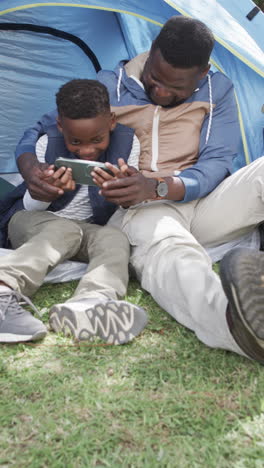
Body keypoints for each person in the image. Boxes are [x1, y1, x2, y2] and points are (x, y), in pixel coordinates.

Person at [14, 17, 264, 364]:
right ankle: (235, 324)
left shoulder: (217, 90)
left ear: (202, 73)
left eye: (175, 88)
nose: (160, 92)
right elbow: (38, 128)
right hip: (140, 208)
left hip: (201, 200)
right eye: (155, 78)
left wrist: (160, 186)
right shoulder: (109, 85)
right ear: (151, 55)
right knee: (169, 245)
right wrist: (29, 168)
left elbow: (217, 163)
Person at [0, 79, 147, 344]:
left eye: (97, 139)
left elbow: (122, 209)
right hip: (32, 219)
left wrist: (123, 192)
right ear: (60, 127)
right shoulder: (47, 143)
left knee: (114, 238)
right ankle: (3, 288)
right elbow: (29, 206)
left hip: (84, 229)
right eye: (75, 141)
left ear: (111, 122)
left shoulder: (128, 143)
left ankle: (92, 303)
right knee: (64, 228)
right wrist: (44, 192)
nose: (87, 151)